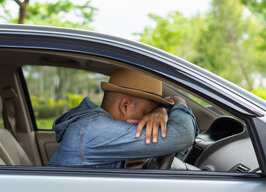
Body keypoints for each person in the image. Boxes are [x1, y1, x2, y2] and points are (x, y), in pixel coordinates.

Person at [47, 68, 199, 168]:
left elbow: (192, 133)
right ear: (125, 105)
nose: (151, 121)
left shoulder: (92, 124)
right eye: (147, 113)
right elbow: (183, 134)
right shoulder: (95, 129)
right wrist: (179, 101)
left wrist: (163, 109)